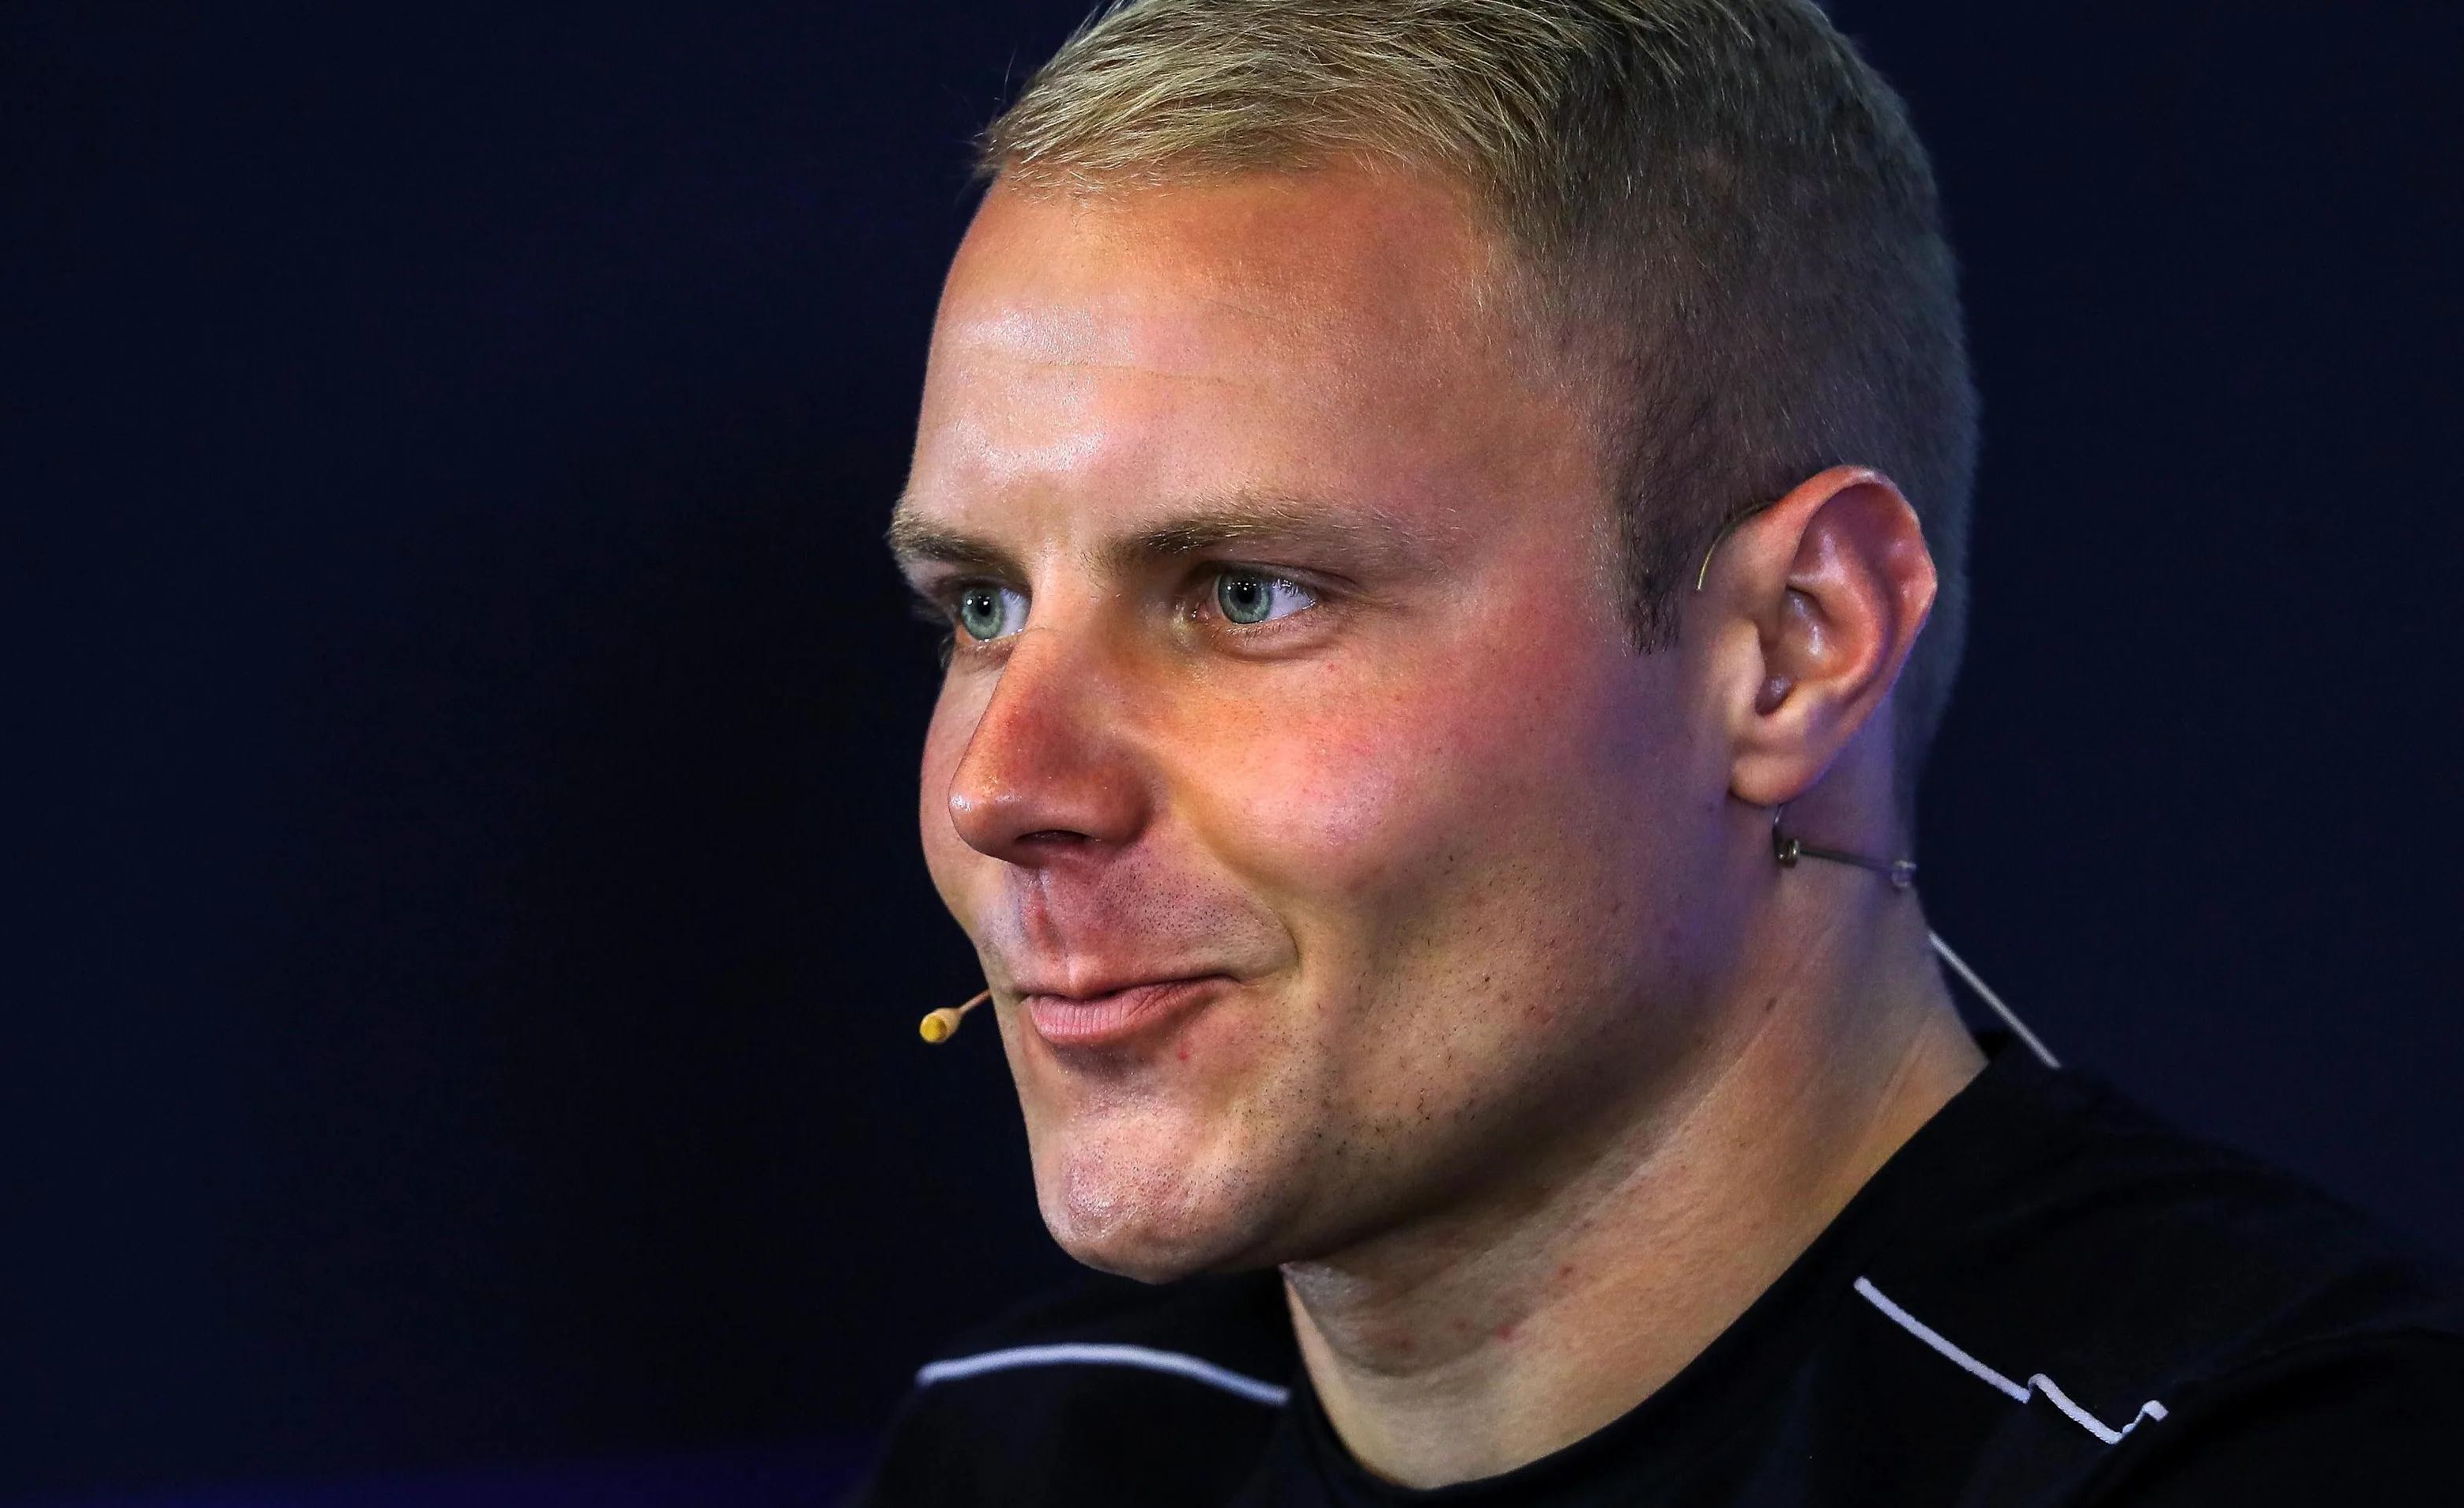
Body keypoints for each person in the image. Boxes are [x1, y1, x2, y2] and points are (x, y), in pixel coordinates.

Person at [855, 2, 2464, 1502]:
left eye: (1245, 595)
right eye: (980, 606)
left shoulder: (2284, 1453)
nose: (1004, 790)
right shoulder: (1034, 1443)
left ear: (1791, 648)